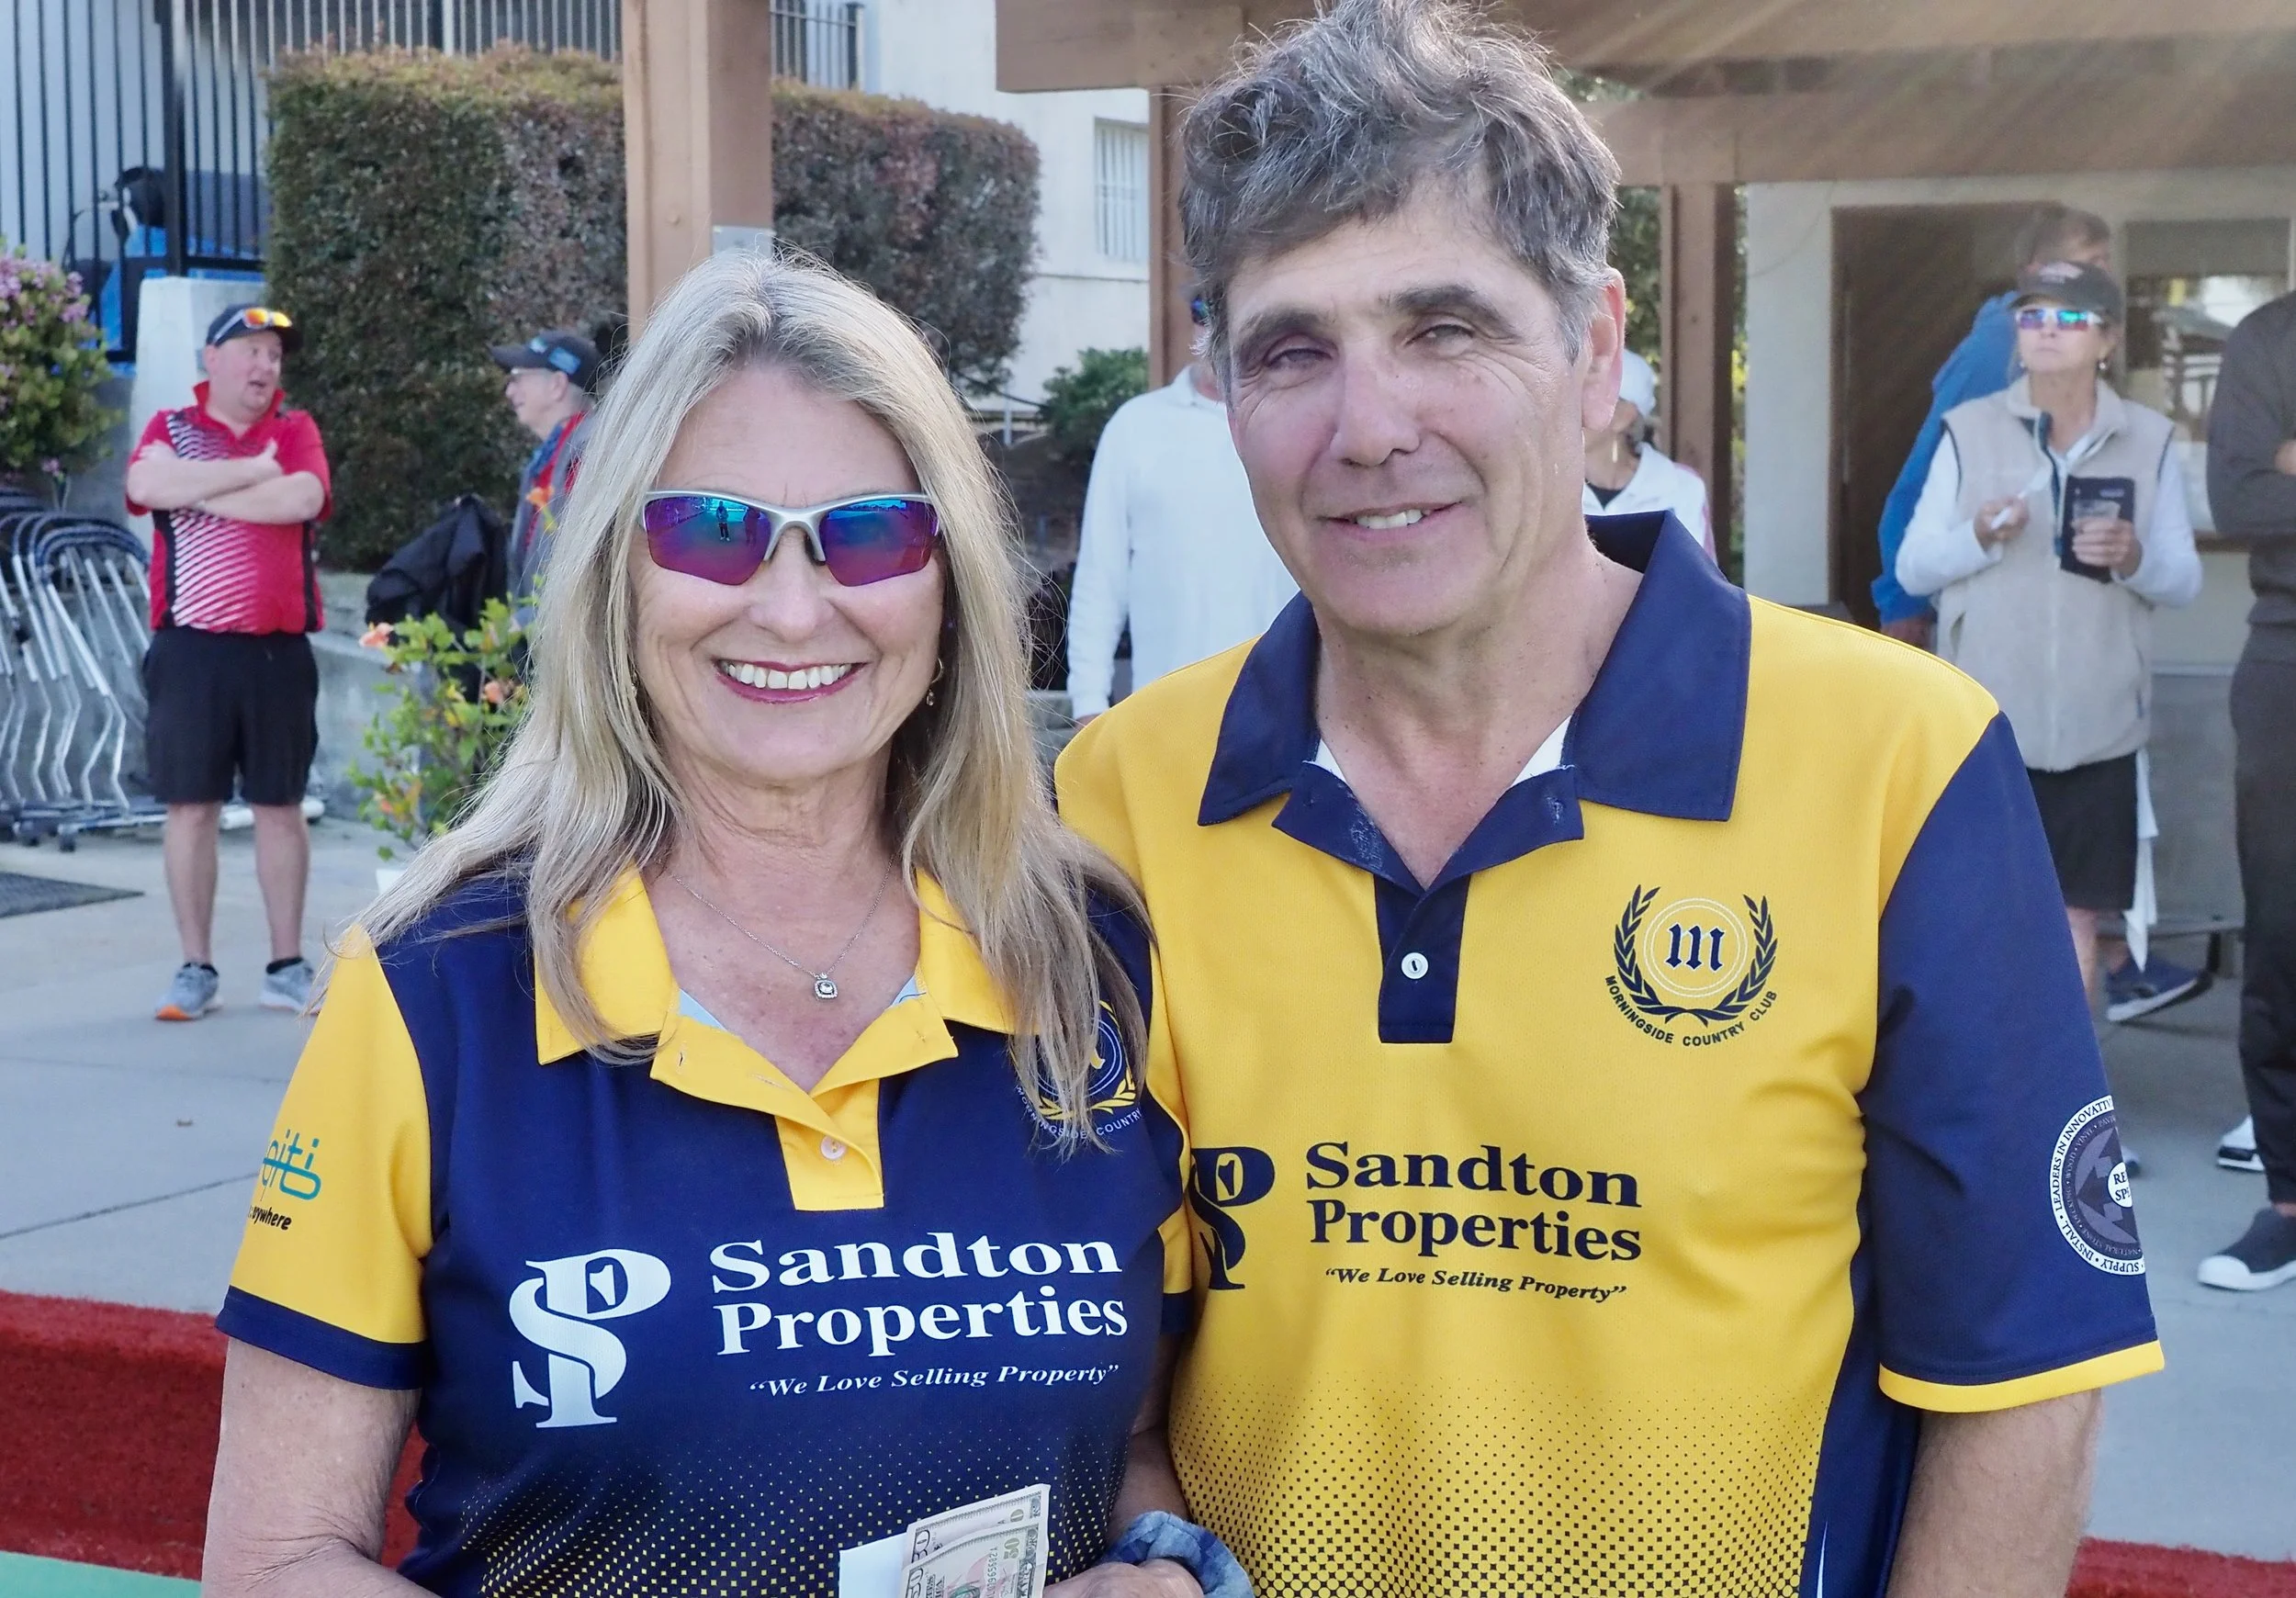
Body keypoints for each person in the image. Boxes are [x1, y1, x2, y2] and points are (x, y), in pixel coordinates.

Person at [1054, 3, 2160, 1593]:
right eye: (1294, 350)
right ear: (1220, 385)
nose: (1371, 428)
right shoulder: (1122, 795)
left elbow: (2023, 1386)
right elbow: (1108, 1356)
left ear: (1592, 352)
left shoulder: (1894, 762)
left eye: (1447, 330)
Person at [199, 253, 1220, 1597]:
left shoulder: (1095, 958)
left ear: (949, 579)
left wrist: (1154, 1566)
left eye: (868, 534)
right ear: (618, 570)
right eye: (711, 532)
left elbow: (1136, 1442)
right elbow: (276, 1559)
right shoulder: (433, 991)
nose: (793, 607)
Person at [1896, 260, 2202, 1003]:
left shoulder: (2150, 439)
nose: (2045, 333)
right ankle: (1984, 1102)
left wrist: (2132, 558)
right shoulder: (1967, 431)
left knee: (2077, 923)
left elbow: (2183, 580)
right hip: (1988, 727)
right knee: (1984, 918)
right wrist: (1976, 534)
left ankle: (2066, 1106)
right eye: (2032, 317)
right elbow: (1913, 569)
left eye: (2068, 319)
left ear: (2108, 339)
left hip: (2101, 729)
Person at [124, 304, 332, 1021]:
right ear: (211, 360)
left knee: (281, 806)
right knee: (191, 808)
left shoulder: (296, 431)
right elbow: (148, 489)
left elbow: (302, 497)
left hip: (278, 650)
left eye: (274, 354)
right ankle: (195, 967)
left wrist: (201, 488)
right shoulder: (168, 429)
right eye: (249, 350)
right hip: (190, 650)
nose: (264, 365)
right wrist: (248, 473)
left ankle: (285, 965)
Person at [1873, 205, 2111, 646]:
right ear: (2039, 273)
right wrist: (1904, 603)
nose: (2104, 279)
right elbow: (1922, 477)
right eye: (2090, 264)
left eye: (2106, 264)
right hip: (1986, 611)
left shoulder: (2077, 355)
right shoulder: (1994, 353)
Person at [1066, 294, 1297, 723]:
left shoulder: (1296, 423)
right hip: (1165, 719)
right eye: (1203, 315)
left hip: (1286, 714)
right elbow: (1101, 575)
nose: (1215, 334)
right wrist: (1088, 702)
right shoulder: (1135, 428)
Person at [2200, 284, 2296, 1289]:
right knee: (2282, 927)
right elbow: (2240, 498)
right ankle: (2287, 1201)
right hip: (2287, 657)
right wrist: (2271, 471)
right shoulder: (2270, 337)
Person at [489, 326, 600, 613]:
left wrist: (528, 622)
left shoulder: (591, 453)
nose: (509, 390)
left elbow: (587, 569)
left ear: (557, 385)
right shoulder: (551, 456)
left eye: (518, 378)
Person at [1580, 349, 1712, 558]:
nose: (1569, 408)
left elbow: (1699, 583)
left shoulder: (1681, 488)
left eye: (1586, 397)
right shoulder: (1547, 485)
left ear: (1625, 416)